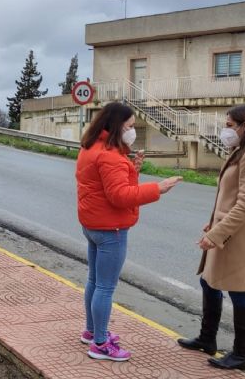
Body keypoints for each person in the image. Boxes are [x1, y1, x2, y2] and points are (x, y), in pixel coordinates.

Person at [76, 102, 182, 362]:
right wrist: (158, 188)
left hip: (93, 225)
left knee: (94, 281)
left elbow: (105, 186)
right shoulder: (110, 155)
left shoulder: (93, 147)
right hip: (111, 229)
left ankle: (92, 332)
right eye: (131, 126)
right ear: (116, 125)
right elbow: (120, 196)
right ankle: (100, 343)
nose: (133, 131)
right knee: (105, 287)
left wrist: (131, 170)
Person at [177, 105, 245, 371]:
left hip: (239, 239)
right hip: (227, 232)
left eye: (230, 125)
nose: (225, 130)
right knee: (209, 282)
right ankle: (208, 339)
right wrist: (214, 223)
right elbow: (230, 197)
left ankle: (242, 355)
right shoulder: (242, 151)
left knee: (239, 292)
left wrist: (217, 233)